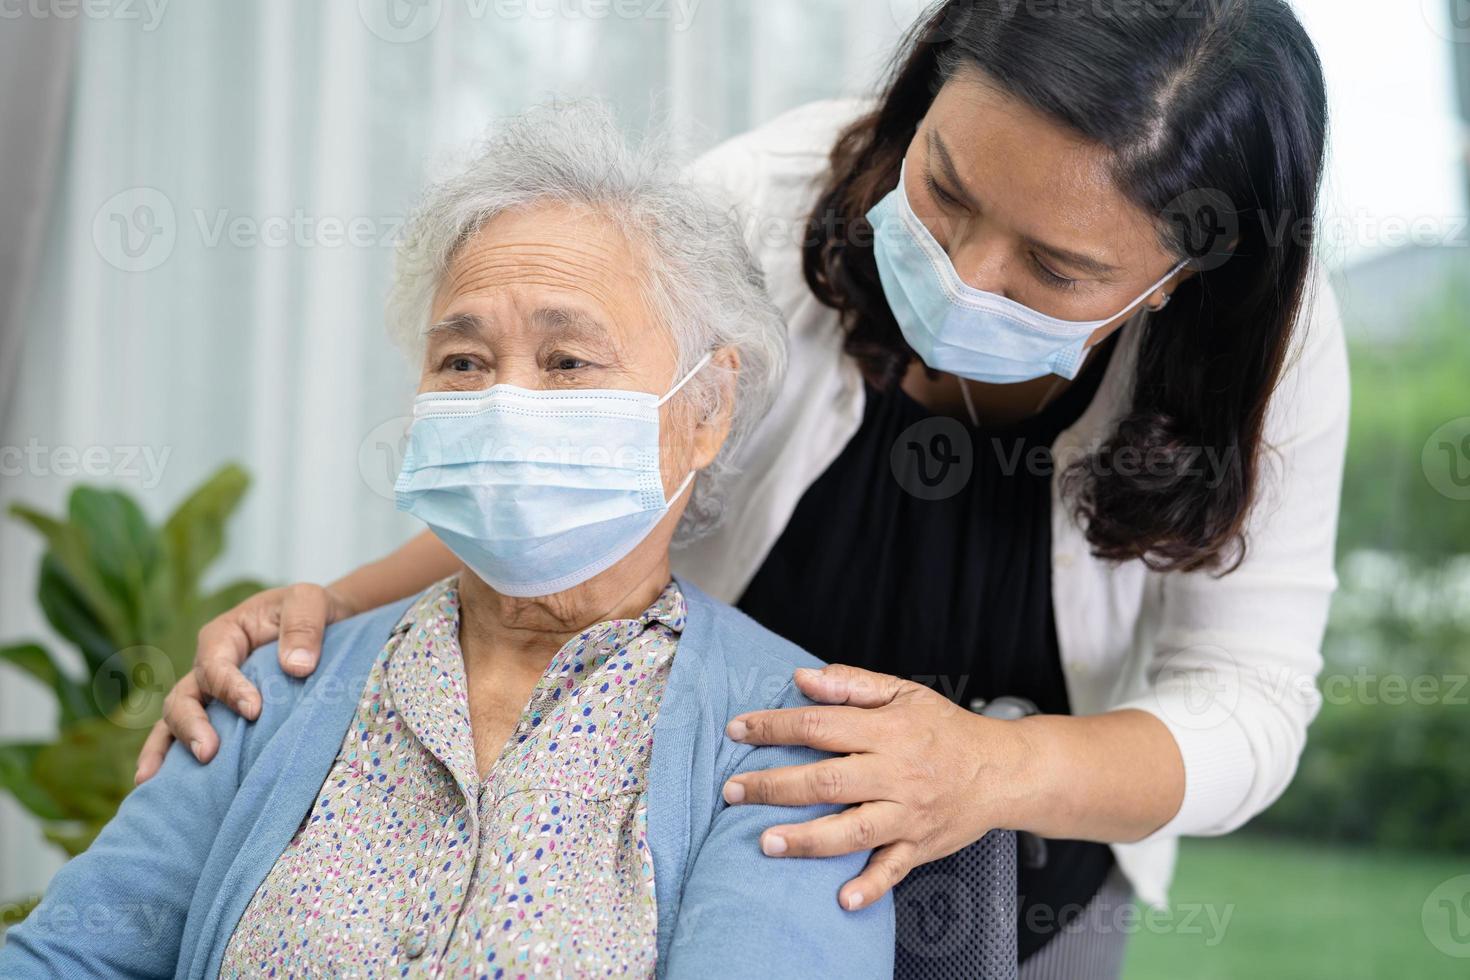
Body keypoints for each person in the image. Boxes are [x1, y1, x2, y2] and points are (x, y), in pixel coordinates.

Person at [141, 1, 1349, 975]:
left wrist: (987, 768)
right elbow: (565, 476)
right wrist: (326, 613)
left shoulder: (1260, 358)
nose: (970, 273)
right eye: (948, 191)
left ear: (1183, 276)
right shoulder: (761, 206)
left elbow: (1245, 705)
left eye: (1055, 266)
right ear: (921, 102)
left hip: (1031, 874)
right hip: (705, 803)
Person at [0, 102, 895, 980]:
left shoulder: (792, 741)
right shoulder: (270, 689)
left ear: (707, 410)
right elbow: (70, 955)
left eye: (567, 361)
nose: (504, 401)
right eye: (462, 361)